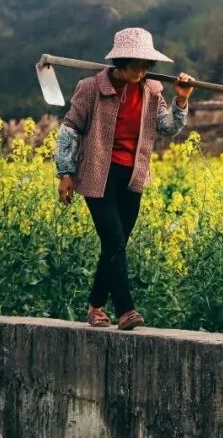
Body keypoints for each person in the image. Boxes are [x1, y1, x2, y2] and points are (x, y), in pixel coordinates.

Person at [54, 27, 195, 330]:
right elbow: (70, 129)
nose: (141, 71)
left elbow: (167, 128)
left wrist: (180, 101)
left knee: (115, 246)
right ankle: (126, 310)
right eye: (135, 65)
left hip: (133, 175)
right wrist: (65, 173)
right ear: (120, 62)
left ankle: (95, 306)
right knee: (114, 240)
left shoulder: (152, 90)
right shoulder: (91, 87)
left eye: (146, 66)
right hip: (97, 174)